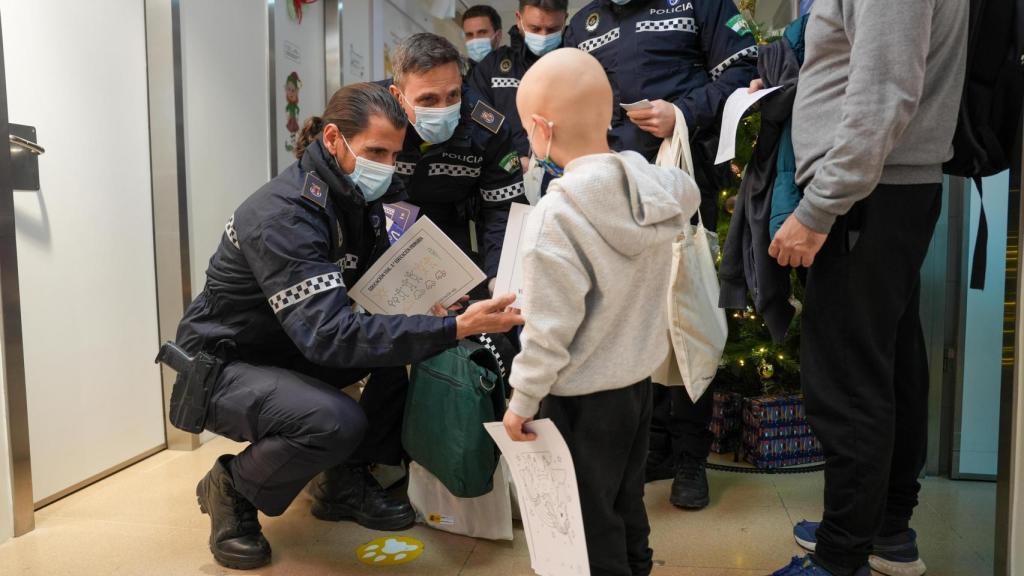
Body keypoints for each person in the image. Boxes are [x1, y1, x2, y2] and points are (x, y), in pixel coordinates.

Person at [173, 82, 524, 570]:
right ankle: (232, 487)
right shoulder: (284, 214)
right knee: (334, 421)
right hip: (225, 365)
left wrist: (438, 304)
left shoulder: (359, 194)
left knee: (402, 349)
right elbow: (331, 336)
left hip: (290, 347)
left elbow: (383, 281)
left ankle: (343, 481)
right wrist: (451, 330)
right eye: (374, 151)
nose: (387, 165)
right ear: (334, 139)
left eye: (394, 154)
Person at [766, 1, 967, 575]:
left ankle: (841, 557)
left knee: (848, 381)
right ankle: (882, 531)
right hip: (883, 189)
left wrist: (820, 207)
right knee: (890, 365)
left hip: (864, 194)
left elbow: (884, 93)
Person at [503, 48, 701, 576]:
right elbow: (689, 189)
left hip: (581, 399)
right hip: (638, 388)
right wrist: (636, 160)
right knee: (624, 499)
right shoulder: (653, 187)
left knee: (589, 522)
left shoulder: (556, 217)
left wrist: (522, 402)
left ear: (542, 128)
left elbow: (548, 331)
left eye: (527, 129)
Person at [564, 0, 758, 510]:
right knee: (627, 321)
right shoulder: (584, 22)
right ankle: (657, 448)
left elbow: (744, 68)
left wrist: (683, 113)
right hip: (608, 194)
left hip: (679, 184)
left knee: (684, 313)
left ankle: (692, 457)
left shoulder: (702, 4)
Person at [382, 33, 528, 293]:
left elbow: (503, 210)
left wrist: (498, 277)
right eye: (428, 99)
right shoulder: (371, 119)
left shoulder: (487, 128)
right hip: (384, 228)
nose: (443, 107)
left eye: (452, 95)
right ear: (398, 95)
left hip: (458, 228)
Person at [469, 0, 569, 170]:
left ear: (564, 20)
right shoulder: (493, 66)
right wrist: (514, 152)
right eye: (535, 28)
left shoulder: (575, 64)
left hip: (563, 169)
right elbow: (478, 110)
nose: (543, 36)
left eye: (552, 30)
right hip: (508, 168)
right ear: (519, 19)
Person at [462, 4, 503, 76]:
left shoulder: (517, 70)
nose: (475, 40)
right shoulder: (463, 80)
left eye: (482, 32)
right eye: (469, 35)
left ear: (498, 35)